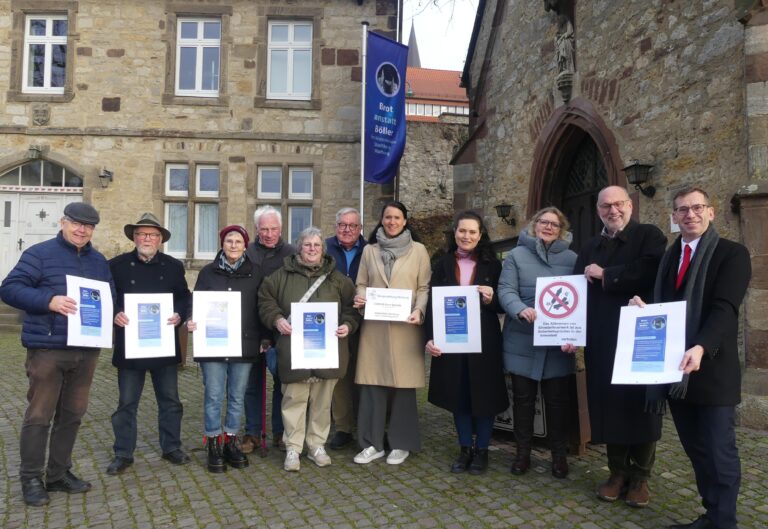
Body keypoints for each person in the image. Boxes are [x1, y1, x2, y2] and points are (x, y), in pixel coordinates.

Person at [630, 188, 751, 529]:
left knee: (719, 453)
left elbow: (724, 310)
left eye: (697, 208)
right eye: (682, 210)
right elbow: (669, 310)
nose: (690, 215)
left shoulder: (731, 254)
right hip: (675, 373)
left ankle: (725, 522)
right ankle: (711, 514)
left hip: (711, 371)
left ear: (710, 213)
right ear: (674, 216)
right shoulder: (670, 258)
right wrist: (645, 311)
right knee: (698, 452)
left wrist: (700, 347)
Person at [0, 203, 114, 506]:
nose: (82, 230)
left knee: (72, 414)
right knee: (39, 415)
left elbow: (108, 296)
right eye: (76, 223)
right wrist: (48, 300)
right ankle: (31, 478)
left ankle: (58, 474)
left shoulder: (99, 261)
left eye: (88, 226)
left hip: (86, 350)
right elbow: (9, 288)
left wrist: (117, 315)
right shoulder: (39, 254)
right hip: (49, 348)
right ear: (63, 222)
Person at [563, 185, 667, 507]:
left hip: (641, 338)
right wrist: (570, 330)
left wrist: (607, 275)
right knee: (608, 406)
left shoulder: (649, 236)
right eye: (606, 206)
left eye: (618, 204)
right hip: (602, 338)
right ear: (597, 211)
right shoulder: (590, 246)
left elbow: (649, 270)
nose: (613, 211)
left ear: (630, 206)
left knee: (641, 408)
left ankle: (640, 477)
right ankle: (617, 473)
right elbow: (575, 294)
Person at [258, 227, 360, 471]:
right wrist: (277, 319)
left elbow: (351, 308)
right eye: (307, 245)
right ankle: (293, 447)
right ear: (299, 248)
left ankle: (316, 445)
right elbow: (265, 301)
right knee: (294, 399)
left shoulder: (338, 280)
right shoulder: (280, 276)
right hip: (294, 351)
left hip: (327, 352)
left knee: (322, 402)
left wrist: (348, 325)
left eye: (316, 245)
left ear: (323, 250)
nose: (312, 249)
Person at [107, 213, 191, 475]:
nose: (147, 239)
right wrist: (115, 312)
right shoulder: (116, 265)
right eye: (142, 234)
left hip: (163, 344)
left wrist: (179, 314)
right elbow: (107, 297)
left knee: (170, 400)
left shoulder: (174, 266)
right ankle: (123, 452)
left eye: (152, 235)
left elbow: (184, 297)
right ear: (134, 237)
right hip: (130, 345)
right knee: (127, 402)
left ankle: (171, 447)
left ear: (160, 240)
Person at [425, 211, 508, 474]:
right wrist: (429, 337)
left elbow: (502, 304)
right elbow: (431, 304)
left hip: (485, 341)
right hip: (452, 341)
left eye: (472, 232)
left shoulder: (493, 265)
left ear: (480, 235)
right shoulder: (442, 264)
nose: (467, 236)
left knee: (485, 395)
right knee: (458, 395)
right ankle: (464, 449)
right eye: (462, 231)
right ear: (455, 233)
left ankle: (482, 451)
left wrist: (491, 298)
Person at [498, 207, 577, 479]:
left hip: (557, 346)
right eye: (543, 222)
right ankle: (522, 454)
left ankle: (559, 456)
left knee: (557, 404)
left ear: (561, 229)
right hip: (523, 341)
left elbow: (579, 300)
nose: (548, 227)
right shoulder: (517, 256)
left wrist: (575, 335)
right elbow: (505, 289)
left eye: (554, 224)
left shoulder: (572, 258)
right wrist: (519, 309)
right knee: (523, 402)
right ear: (534, 225)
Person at [353, 201, 431, 466]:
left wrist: (419, 311)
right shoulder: (369, 251)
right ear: (382, 220)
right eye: (388, 217)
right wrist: (361, 298)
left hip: (405, 327)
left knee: (403, 387)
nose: (392, 221)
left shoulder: (419, 251)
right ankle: (372, 443)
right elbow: (361, 283)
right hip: (374, 327)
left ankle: (401, 442)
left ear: (405, 221)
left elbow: (424, 287)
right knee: (373, 384)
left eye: (397, 217)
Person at [187, 225, 263, 473]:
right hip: (214, 345)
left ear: (245, 245)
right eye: (229, 240)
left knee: (237, 396)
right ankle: (213, 442)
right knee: (214, 395)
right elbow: (195, 303)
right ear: (222, 244)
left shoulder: (256, 273)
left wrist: (264, 338)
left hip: (244, 343)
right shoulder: (208, 273)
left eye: (238, 241)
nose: (233, 245)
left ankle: (231, 440)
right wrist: (192, 319)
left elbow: (261, 308)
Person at [241, 206, 296, 454]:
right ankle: (252, 432)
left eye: (273, 228)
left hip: (280, 329)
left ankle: (279, 432)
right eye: (264, 229)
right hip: (250, 329)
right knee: (251, 384)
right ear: (256, 229)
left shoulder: (292, 254)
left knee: (281, 382)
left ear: (281, 228)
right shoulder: (246, 252)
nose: (269, 234)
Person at [325, 207, 367, 450]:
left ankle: (364, 426)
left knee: (363, 374)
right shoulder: (325, 249)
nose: (347, 229)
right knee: (339, 376)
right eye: (343, 225)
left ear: (360, 228)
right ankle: (342, 428)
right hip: (334, 322)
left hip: (366, 321)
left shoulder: (370, 250)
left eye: (352, 225)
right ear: (336, 226)